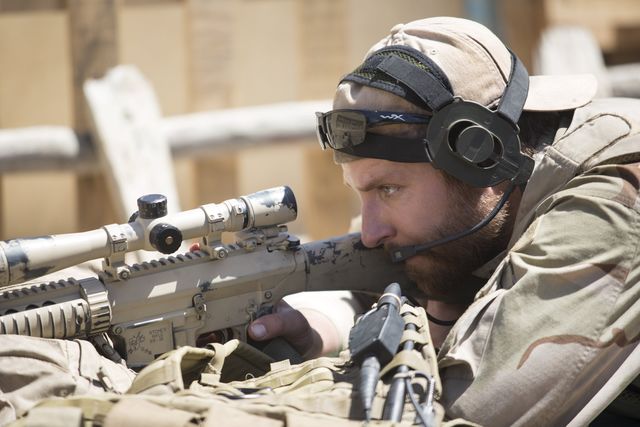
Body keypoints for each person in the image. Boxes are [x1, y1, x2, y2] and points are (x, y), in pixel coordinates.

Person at [246, 16, 640, 426]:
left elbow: (467, 410)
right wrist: (320, 328)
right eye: (361, 193)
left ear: (481, 158)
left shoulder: (615, 198)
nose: (371, 231)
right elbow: (372, 287)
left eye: (388, 189)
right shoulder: (458, 220)